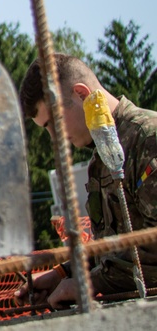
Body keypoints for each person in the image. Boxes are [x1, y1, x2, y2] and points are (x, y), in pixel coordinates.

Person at [14, 53, 157, 308]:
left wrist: (89, 283)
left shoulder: (149, 139)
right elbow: (111, 251)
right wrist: (63, 274)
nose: (54, 138)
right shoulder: (99, 164)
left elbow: (153, 251)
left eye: (54, 123)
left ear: (82, 94)